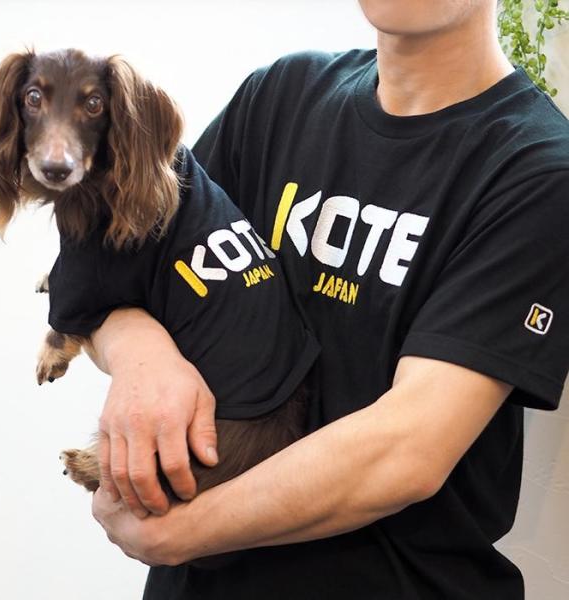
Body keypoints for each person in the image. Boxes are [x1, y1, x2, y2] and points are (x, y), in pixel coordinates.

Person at [85, 1, 569, 598]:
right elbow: (111, 275)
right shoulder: (277, 98)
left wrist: (177, 534)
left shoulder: (538, 171)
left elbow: (407, 450)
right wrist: (141, 359)